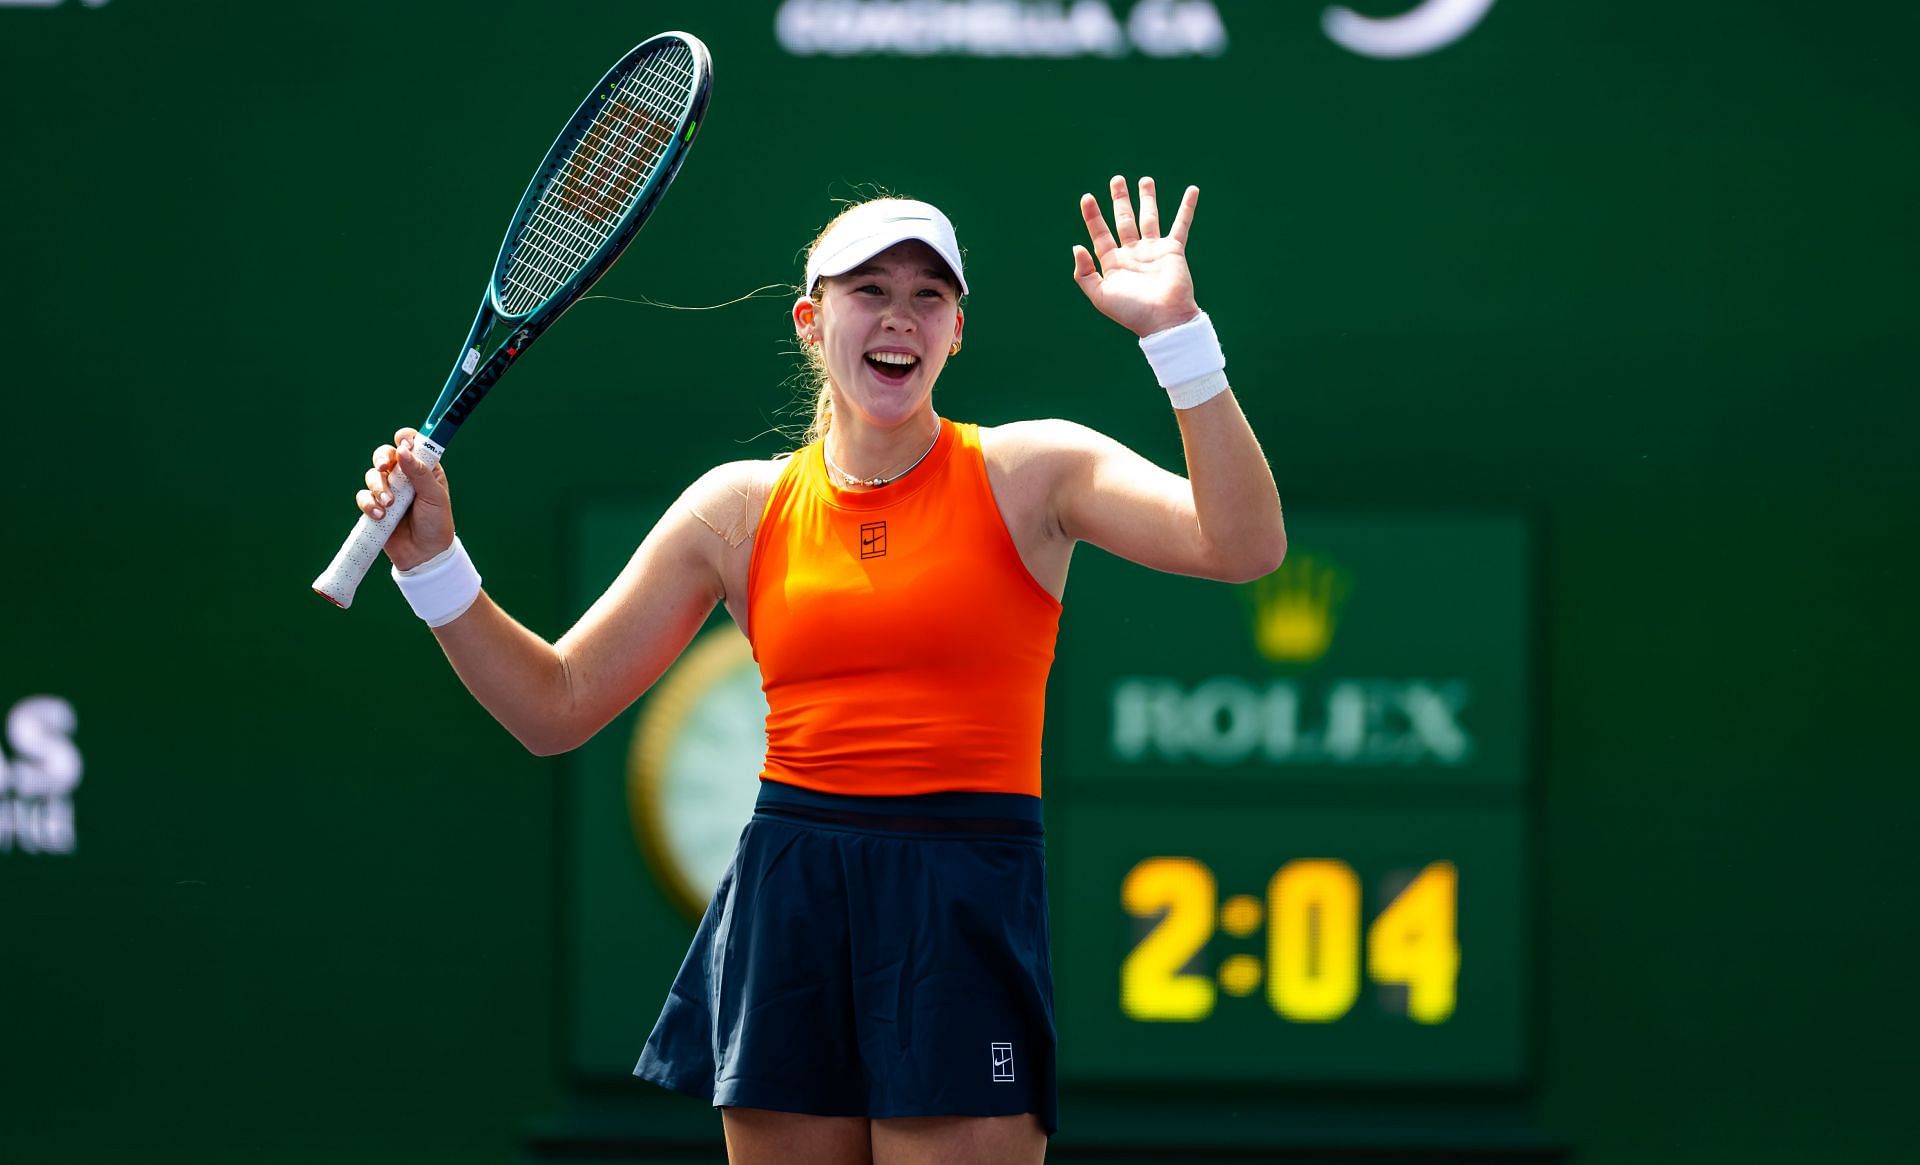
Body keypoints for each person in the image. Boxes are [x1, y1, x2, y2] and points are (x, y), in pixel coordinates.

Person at [354, 176, 1284, 1165]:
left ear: (957, 330)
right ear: (811, 318)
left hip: (961, 889)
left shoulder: (1035, 472)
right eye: (868, 290)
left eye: (930, 295)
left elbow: (1243, 543)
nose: (900, 317)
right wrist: (435, 568)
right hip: (792, 890)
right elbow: (557, 706)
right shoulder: (736, 508)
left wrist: (1177, 336)